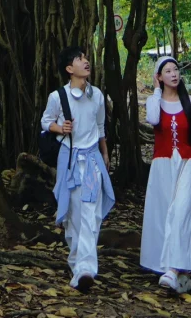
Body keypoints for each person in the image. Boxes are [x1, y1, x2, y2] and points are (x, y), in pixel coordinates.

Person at [40, 45, 114, 293]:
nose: (86, 61)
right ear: (69, 69)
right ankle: (76, 265)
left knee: (91, 215)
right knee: (73, 216)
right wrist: (60, 129)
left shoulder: (98, 96)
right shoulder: (57, 97)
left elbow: (101, 128)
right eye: (80, 59)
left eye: (86, 58)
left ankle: (86, 270)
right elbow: (45, 121)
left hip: (92, 162)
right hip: (69, 160)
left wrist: (105, 155)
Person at [140, 55, 191, 292]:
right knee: (165, 216)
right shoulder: (155, 102)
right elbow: (152, 119)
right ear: (160, 77)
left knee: (182, 213)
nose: (174, 74)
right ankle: (175, 271)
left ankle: (173, 269)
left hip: (186, 163)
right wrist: (155, 90)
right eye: (168, 71)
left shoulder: (190, 102)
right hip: (162, 166)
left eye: (176, 70)